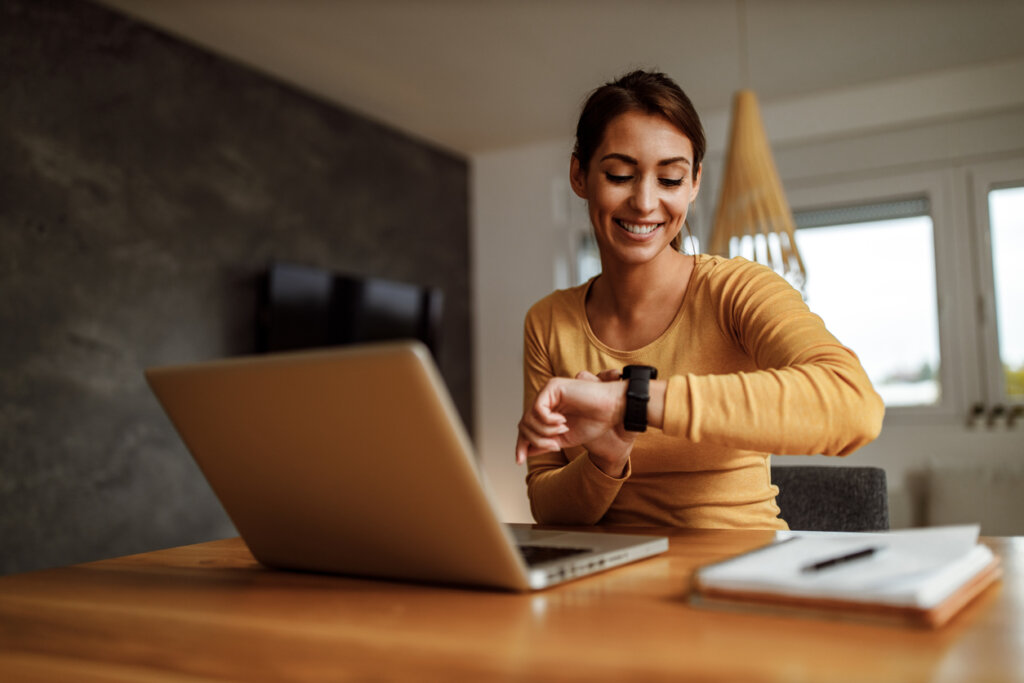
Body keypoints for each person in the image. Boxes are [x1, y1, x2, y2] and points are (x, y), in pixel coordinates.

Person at [514, 70, 884, 530]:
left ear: (694, 183)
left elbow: (854, 405)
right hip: (618, 570)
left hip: (740, 561)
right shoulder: (548, 321)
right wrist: (605, 459)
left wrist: (631, 402)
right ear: (579, 175)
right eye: (620, 175)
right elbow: (548, 508)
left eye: (670, 179)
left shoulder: (737, 290)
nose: (645, 202)